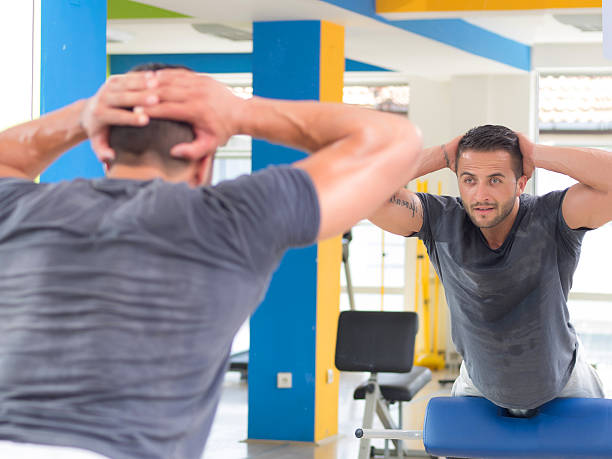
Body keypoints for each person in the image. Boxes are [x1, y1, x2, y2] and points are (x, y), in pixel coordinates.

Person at [0, 64, 422, 459]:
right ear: (204, 161)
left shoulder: (20, 208)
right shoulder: (231, 217)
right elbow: (395, 142)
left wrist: (85, 113)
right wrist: (239, 112)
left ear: (102, 145)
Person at [370, 124, 610, 416]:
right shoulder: (439, 220)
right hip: (479, 387)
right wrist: (442, 155)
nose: (480, 194)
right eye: (469, 180)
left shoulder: (553, 218)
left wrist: (537, 153)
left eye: (495, 180)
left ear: (521, 182)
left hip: (565, 383)